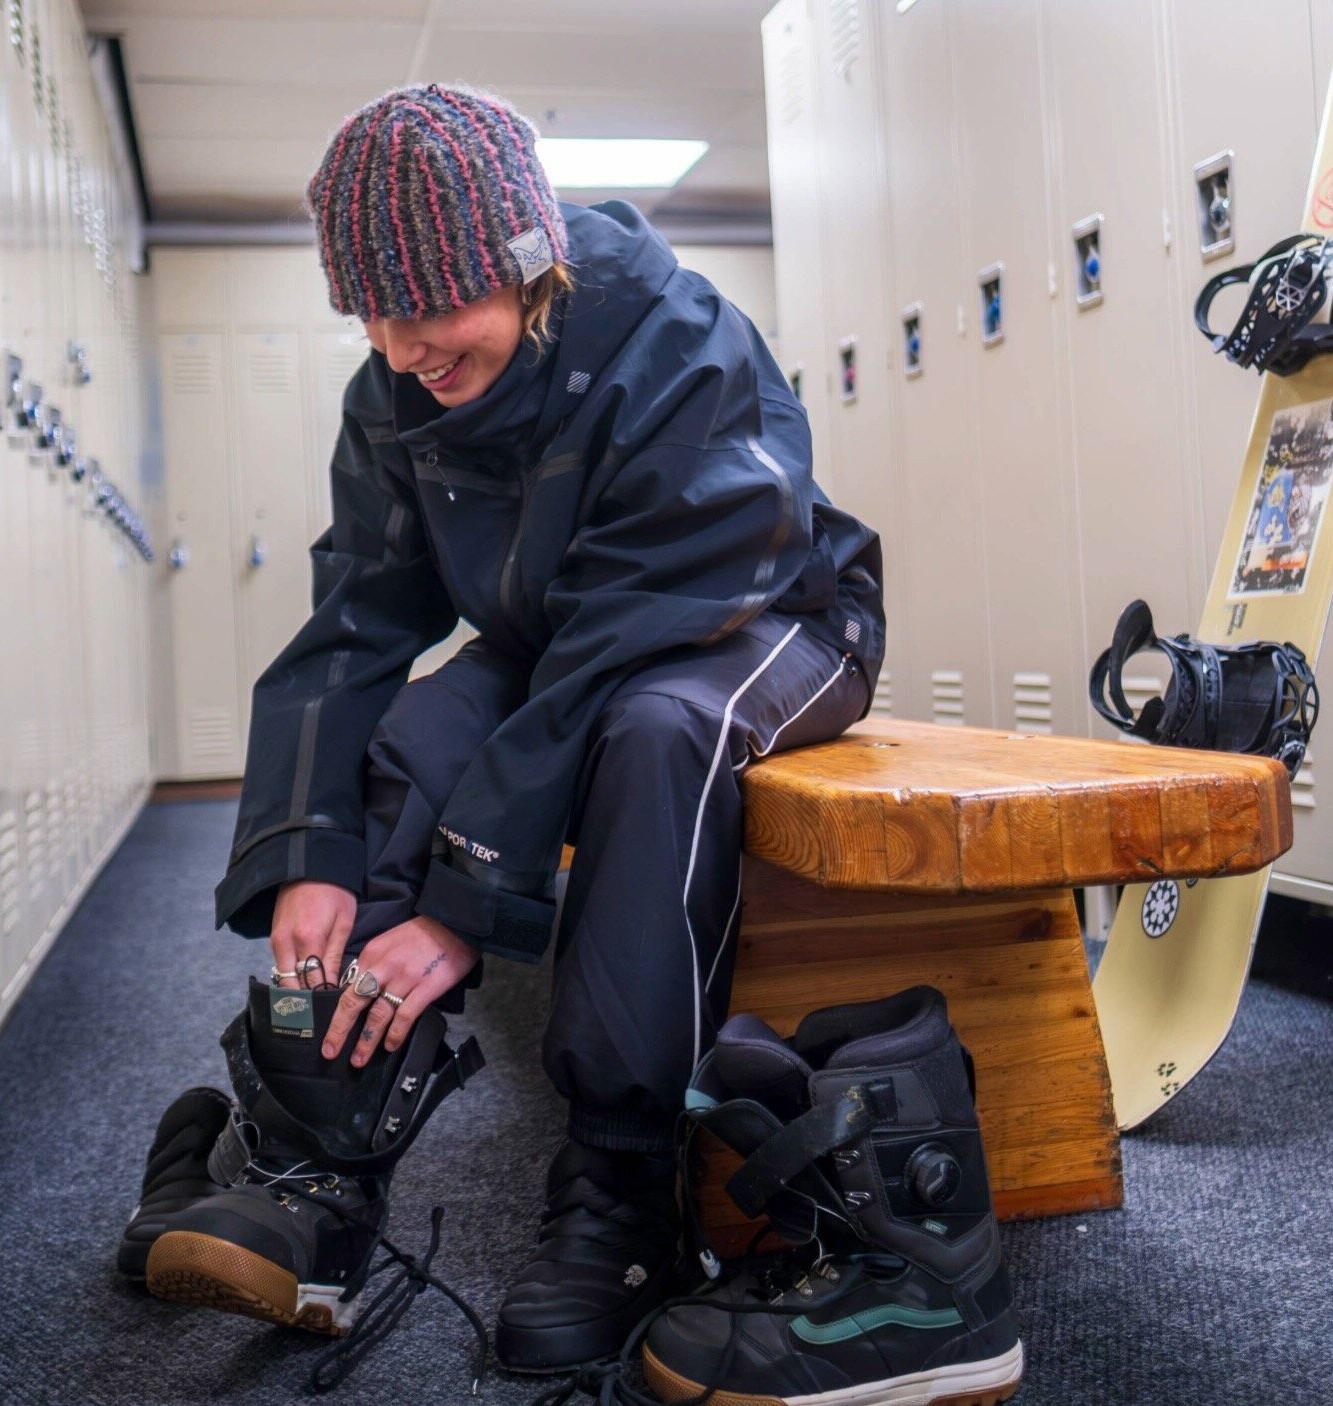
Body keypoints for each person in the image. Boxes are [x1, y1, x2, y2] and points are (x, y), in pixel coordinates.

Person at [118, 83, 884, 1377]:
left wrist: (465, 903)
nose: (400, 344)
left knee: (652, 742)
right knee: (404, 737)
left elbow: (630, 647)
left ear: (532, 270)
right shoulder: (396, 388)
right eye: (373, 314)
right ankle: (327, 1166)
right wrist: (308, 848)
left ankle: (626, 1191)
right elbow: (360, 616)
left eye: (428, 312)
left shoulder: (679, 341)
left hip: (763, 615)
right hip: (577, 633)